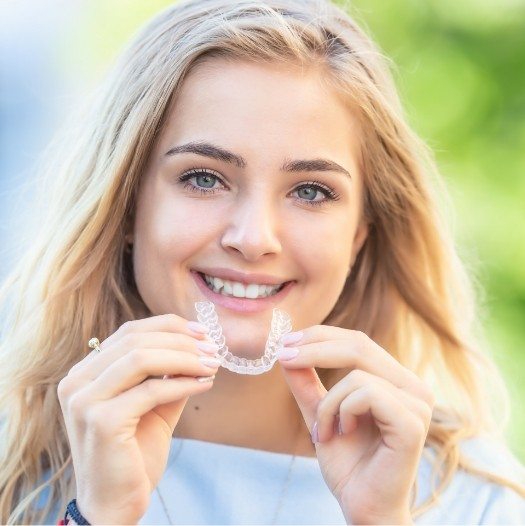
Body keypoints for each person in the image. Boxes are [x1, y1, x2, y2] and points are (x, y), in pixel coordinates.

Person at [0, 0, 524, 524]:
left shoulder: (477, 501)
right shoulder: (16, 478)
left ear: (360, 235)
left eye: (312, 191)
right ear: (127, 206)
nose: (254, 239)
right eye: (203, 178)